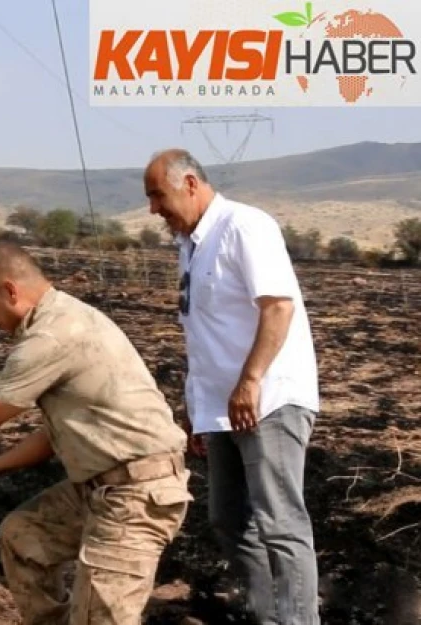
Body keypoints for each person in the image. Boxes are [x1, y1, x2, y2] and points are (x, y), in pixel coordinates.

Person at [0, 242, 193, 625]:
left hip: (135, 495)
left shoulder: (50, 338)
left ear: (10, 291)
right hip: (99, 487)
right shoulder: (63, 318)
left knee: (100, 620)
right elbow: (60, 432)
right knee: (23, 536)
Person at [143, 149, 321, 624]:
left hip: (269, 399)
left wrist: (251, 380)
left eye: (158, 196)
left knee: (281, 522)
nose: (154, 209)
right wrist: (196, 406)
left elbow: (278, 308)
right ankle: (269, 616)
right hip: (222, 406)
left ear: (191, 185)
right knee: (228, 518)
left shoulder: (245, 226)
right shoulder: (190, 244)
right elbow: (205, 330)